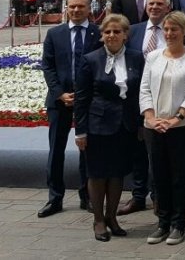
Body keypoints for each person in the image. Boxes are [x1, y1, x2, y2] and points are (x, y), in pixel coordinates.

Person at [139, 11, 185, 246]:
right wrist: (151, 116)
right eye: (166, 29)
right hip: (155, 127)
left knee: (179, 177)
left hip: (183, 126)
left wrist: (177, 118)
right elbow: (144, 88)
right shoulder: (154, 57)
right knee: (159, 176)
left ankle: (178, 224)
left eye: (174, 29)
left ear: (184, 31)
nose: (169, 33)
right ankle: (162, 223)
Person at [74, 13, 142, 241]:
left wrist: (141, 124)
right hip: (97, 126)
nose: (112, 35)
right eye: (108, 32)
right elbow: (82, 99)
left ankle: (113, 217)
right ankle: (99, 220)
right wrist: (80, 131)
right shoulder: (91, 59)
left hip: (125, 126)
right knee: (97, 173)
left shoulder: (136, 58)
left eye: (117, 32)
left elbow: (140, 94)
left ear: (125, 35)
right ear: (102, 35)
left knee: (117, 174)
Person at [39, 0, 101, 218]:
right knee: (56, 150)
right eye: (72, 6)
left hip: (89, 102)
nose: (76, 10)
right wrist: (59, 93)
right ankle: (55, 198)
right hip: (59, 101)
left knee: (88, 150)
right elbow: (48, 66)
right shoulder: (54, 34)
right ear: (66, 8)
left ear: (89, 8)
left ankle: (88, 196)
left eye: (81, 6)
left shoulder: (99, 32)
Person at [119, 0, 172, 215]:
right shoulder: (134, 31)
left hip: (166, 98)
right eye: (151, 4)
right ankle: (138, 195)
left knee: (162, 152)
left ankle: (160, 196)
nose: (155, 7)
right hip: (137, 100)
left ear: (168, 8)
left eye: (160, 4)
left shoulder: (174, 30)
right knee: (138, 150)